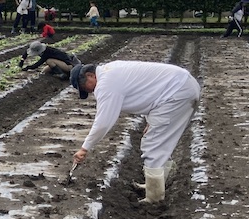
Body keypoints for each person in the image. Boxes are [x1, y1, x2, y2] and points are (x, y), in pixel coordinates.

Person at [71, 62, 201, 203]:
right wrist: (150, 121)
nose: (89, 92)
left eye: (85, 87)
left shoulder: (106, 84)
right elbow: (147, 92)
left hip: (177, 92)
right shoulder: (112, 70)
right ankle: (157, 183)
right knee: (157, 139)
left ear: (90, 75)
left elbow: (103, 122)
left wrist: (84, 148)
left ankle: (154, 198)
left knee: (153, 144)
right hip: (182, 86)